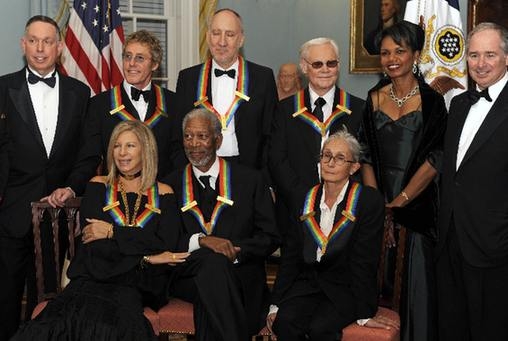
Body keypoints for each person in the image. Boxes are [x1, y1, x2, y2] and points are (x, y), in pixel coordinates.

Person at [12, 120, 189, 340]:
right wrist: (146, 257)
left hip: (139, 284)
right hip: (94, 275)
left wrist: (112, 232)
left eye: (130, 146)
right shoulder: (98, 185)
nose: (121, 153)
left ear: (147, 150)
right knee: (56, 325)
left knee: (111, 327)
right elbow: (95, 247)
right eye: (116, 146)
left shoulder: (164, 192)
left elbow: (166, 243)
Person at [0, 15, 97, 340]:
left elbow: (87, 154)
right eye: (33, 40)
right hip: (10, 215)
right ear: (23, 44)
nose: (40, 48)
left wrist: (71, 187)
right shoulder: (2, 87)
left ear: (59, 48)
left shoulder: (80, 93)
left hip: (57, 219)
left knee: (48, 303)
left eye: (47, 41)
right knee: (5, 299)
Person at [360, 21, 447, 341]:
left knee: (417, 293)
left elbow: (435, 159)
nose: (391, 58)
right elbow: (365, 154)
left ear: (414, 54)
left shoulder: (433, 101)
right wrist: (377, 206)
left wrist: (401, 202)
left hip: (418, 208)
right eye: (385, 52)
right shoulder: (372, 98)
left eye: (399, 51)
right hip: (378, 206)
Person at [266, 130, 398, 340]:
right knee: (285, 323)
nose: (330, 163)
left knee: (321, 328)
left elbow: (365, 261)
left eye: (339, 158)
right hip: (306, 285)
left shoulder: (367, 202)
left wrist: (364, 313)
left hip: (345, 289)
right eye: (326, 155)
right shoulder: (303, 198)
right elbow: (290, 255)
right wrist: (276, 304)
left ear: (354, 167)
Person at [163, 108, 280, 340]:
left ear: (218, 140)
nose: (193, 144)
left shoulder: (251, 180)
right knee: (213, 270)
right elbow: (166, 240)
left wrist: (235, 251)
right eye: (188, 136)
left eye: (202, 136)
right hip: (187, 274)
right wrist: (203, 241)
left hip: (240, 273)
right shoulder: (169, 185)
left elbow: (270, 237)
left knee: (214, 278)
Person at [436, 22, 508, 341]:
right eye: (474, 55)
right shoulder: (460, 104)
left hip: (495, 247)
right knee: (454, 327)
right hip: (451, 240)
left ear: (507, 57)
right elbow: (452, 174)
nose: (480, 64)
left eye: (490, 54)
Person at [269, 37, 365, 238]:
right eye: (317, 64)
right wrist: (305, 198)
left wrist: (340, 198)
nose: (325, 69)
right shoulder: (284, 109)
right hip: (296, 210)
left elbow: (361, 162)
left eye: (331, 63)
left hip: (344, 211)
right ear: (304, 67)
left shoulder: (358, 108)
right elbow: (277, 160)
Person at [175, 8, 277, 172]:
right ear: (208, 37)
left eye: (230, 34)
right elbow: (177, 134)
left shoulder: (263, 78)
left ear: (241, 40)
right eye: (216, 33)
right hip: (200, 170)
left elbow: (271, 136)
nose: (222, 42)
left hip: (248, 173)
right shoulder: (188, 78)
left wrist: (266, 182)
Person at [85, 29, 184, 181]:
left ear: (155, 64)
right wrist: (72, 188)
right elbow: (89, 157)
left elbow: (178, 157)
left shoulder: (174, 103)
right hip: (116, 196)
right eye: (127, 57)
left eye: (140, 58)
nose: (131, 64)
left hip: (162, 195)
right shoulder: (99, 104)